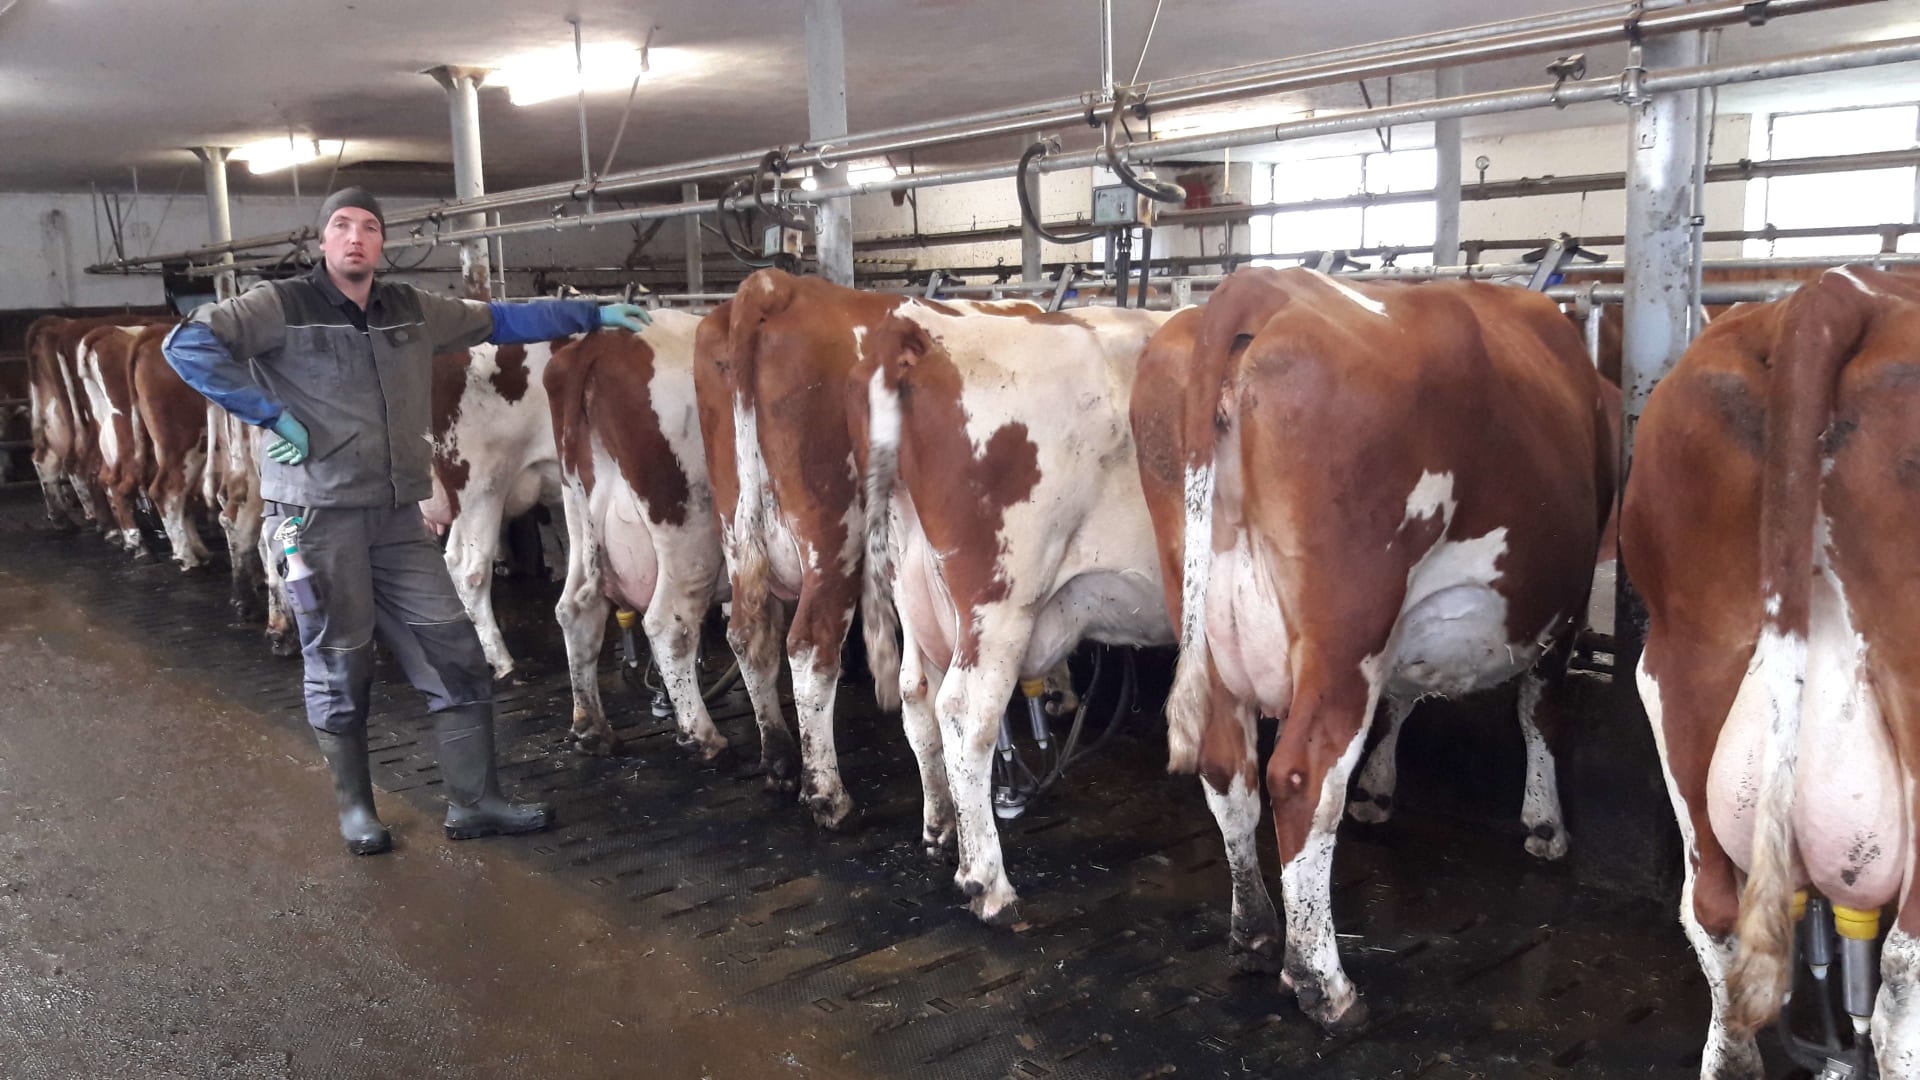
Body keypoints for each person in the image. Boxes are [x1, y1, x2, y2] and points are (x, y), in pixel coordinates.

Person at [163, 186, 653, 855]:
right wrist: (269, 415)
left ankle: (475, 802)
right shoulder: (280, 305)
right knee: (340, 662)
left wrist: (591, 312)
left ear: (381, 243)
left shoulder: (410, 308)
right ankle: (356, 811)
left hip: (397, 518)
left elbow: (499, 320)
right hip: (316, 518)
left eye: (369, 226)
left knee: (457, 652)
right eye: (342, 226)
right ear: (323, 240)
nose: (355, 237)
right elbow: (187, 344)